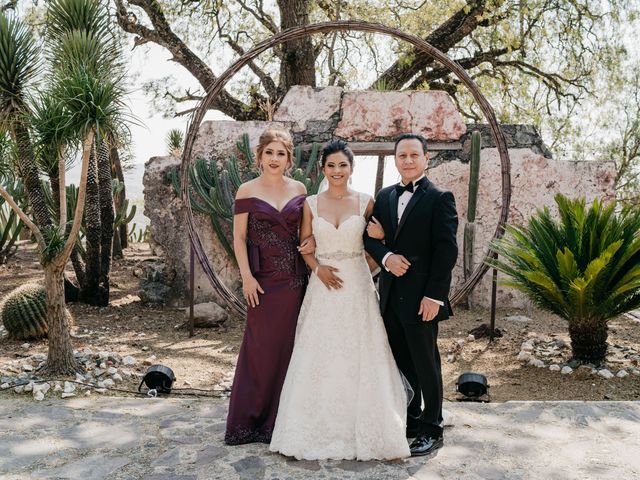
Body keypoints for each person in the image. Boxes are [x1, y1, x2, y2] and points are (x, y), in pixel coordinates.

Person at [269, 139, 410, 461]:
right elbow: (306, 245)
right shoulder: (311, 204)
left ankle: (370, 426)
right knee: (319, 352)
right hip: (323, 288)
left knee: (360, 351)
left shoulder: (366, 202)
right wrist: (317, 269)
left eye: (342, 165)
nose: (336, 171)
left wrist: (365, 270)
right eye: (331, 166)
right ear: (323, 169)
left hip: (357, 287)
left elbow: (379, 244)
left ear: (351, 169)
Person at [364, 133, 458, 457]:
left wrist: (435, 296)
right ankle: (412, 421)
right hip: (390, 298)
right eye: (401, 155)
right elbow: (370, 238)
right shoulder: (386, 195)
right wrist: (387, 257)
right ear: (395, 159)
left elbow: (446, 250)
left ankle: (433, 428)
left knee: (426, 363)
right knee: (401, 364)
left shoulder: (440, 198)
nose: (407, 160)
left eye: (413, 155)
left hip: (422, 300)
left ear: (426, 158)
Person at [225, 128, 314, 445]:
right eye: (269, 153)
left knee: (289, 348)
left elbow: (305, 233)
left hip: (293, 280)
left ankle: (280, 422)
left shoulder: (300, 188)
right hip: (261, 282)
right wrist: (246, 277)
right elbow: (238, 237)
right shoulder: (246, 190)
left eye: (281, 153)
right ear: (259, 156)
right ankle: (249, 422)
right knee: (258, 347)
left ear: (289, 158)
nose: (274, 159)